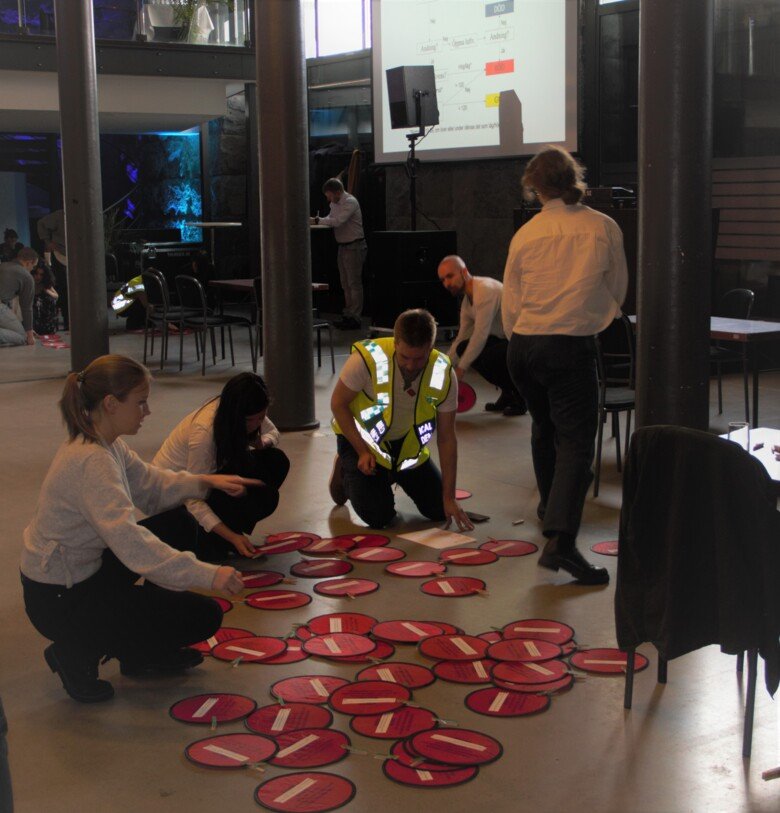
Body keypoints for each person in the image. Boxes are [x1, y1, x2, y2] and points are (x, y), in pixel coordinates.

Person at [20, 355, 257, 703]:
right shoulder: (92, 462)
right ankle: (75, 651)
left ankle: (138, 652)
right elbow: (133, 545)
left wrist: (205, 480)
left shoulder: (106, 443)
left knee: (178, 522)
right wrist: (208, 575)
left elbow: (150, 486)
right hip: (59, 599)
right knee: (203, 617)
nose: (147, 411)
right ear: (111, 404)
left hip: (81, 575)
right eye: (141, 402)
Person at [503, 145, 628, 586]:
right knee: (576, 444)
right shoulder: (602, 227)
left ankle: (547, 512)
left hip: (523, 345)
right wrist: (593, 315)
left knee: (545, 428)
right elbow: (618, 289)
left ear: (536, 187)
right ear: (573, 178)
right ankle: (561, 540)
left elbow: (511, 299)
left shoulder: (526, 233)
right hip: (568, 343)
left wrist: (525, 334)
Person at [329, 308, 474, 532]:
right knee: (379, 516)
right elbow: (338, 404)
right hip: (363, 443)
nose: (411, 366)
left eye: (419, 358)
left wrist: (449, 498)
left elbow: (446, 439)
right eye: (405, 357)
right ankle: (344, 470)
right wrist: (362, 451)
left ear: (431, 347)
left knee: (439, 510)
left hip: (407, 451)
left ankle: (389, 474)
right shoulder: (367, 360)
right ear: (395, 342)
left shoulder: (443, 372)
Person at [142, 373, 290, 561]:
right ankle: (216, 537)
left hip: (212, 479)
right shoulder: (204, 433)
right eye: (252, 420)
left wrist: (262, 442)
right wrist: (232, 536)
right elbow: (191, 496)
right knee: (212, 550)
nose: (258, 424)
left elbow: (273, 432)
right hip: (173, 500)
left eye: (262, 417)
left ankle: (225, 531)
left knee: (275, 461)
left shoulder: (246, 410)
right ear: (238, 416)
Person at [438, 254, 526, 416]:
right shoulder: (467, 302)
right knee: (464, 347)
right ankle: (508, 393)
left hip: (520, 343)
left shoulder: (485, 289)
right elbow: (461, 338)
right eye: (443, 280)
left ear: (464, 272)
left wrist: (461, 369)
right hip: (503, 341)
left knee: (488, 356)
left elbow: (480, 335)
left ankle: (521, 395)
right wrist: (443, 367)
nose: (447, 283)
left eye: (450, 276)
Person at [311, 178, 366, 330]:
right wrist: (318, 220)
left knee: (354, 283)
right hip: (343, 246)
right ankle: (348, 314)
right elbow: (330, 218)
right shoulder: (335, 203)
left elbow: (338, 221)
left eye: (329, 195)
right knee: (345, 283)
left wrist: (317, 221)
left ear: (336, 192)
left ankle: (355, 317)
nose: (328, 199)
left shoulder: (350, 202)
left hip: (354, 246)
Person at [36, 209, 68, 330]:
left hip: (77, 254)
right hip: (60, 254)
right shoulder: (60, 215)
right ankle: (67, 320)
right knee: (64, 289)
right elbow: (41, 223)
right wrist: (47, 241)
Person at [0, 247, 38, 347]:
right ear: (28, 263)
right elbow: (26, 308)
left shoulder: (3, 265)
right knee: (22, 337)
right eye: (33, 266)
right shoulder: (27, 277)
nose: (32, 269)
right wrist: (29, 335)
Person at [31, 262, 59, 335]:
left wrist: (46, 291)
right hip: (33, 321)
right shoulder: (29, 284)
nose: (38, 277)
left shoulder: (46, 284)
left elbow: (56, 296)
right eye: (36, 274)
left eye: (41, 275)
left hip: (47, 321)